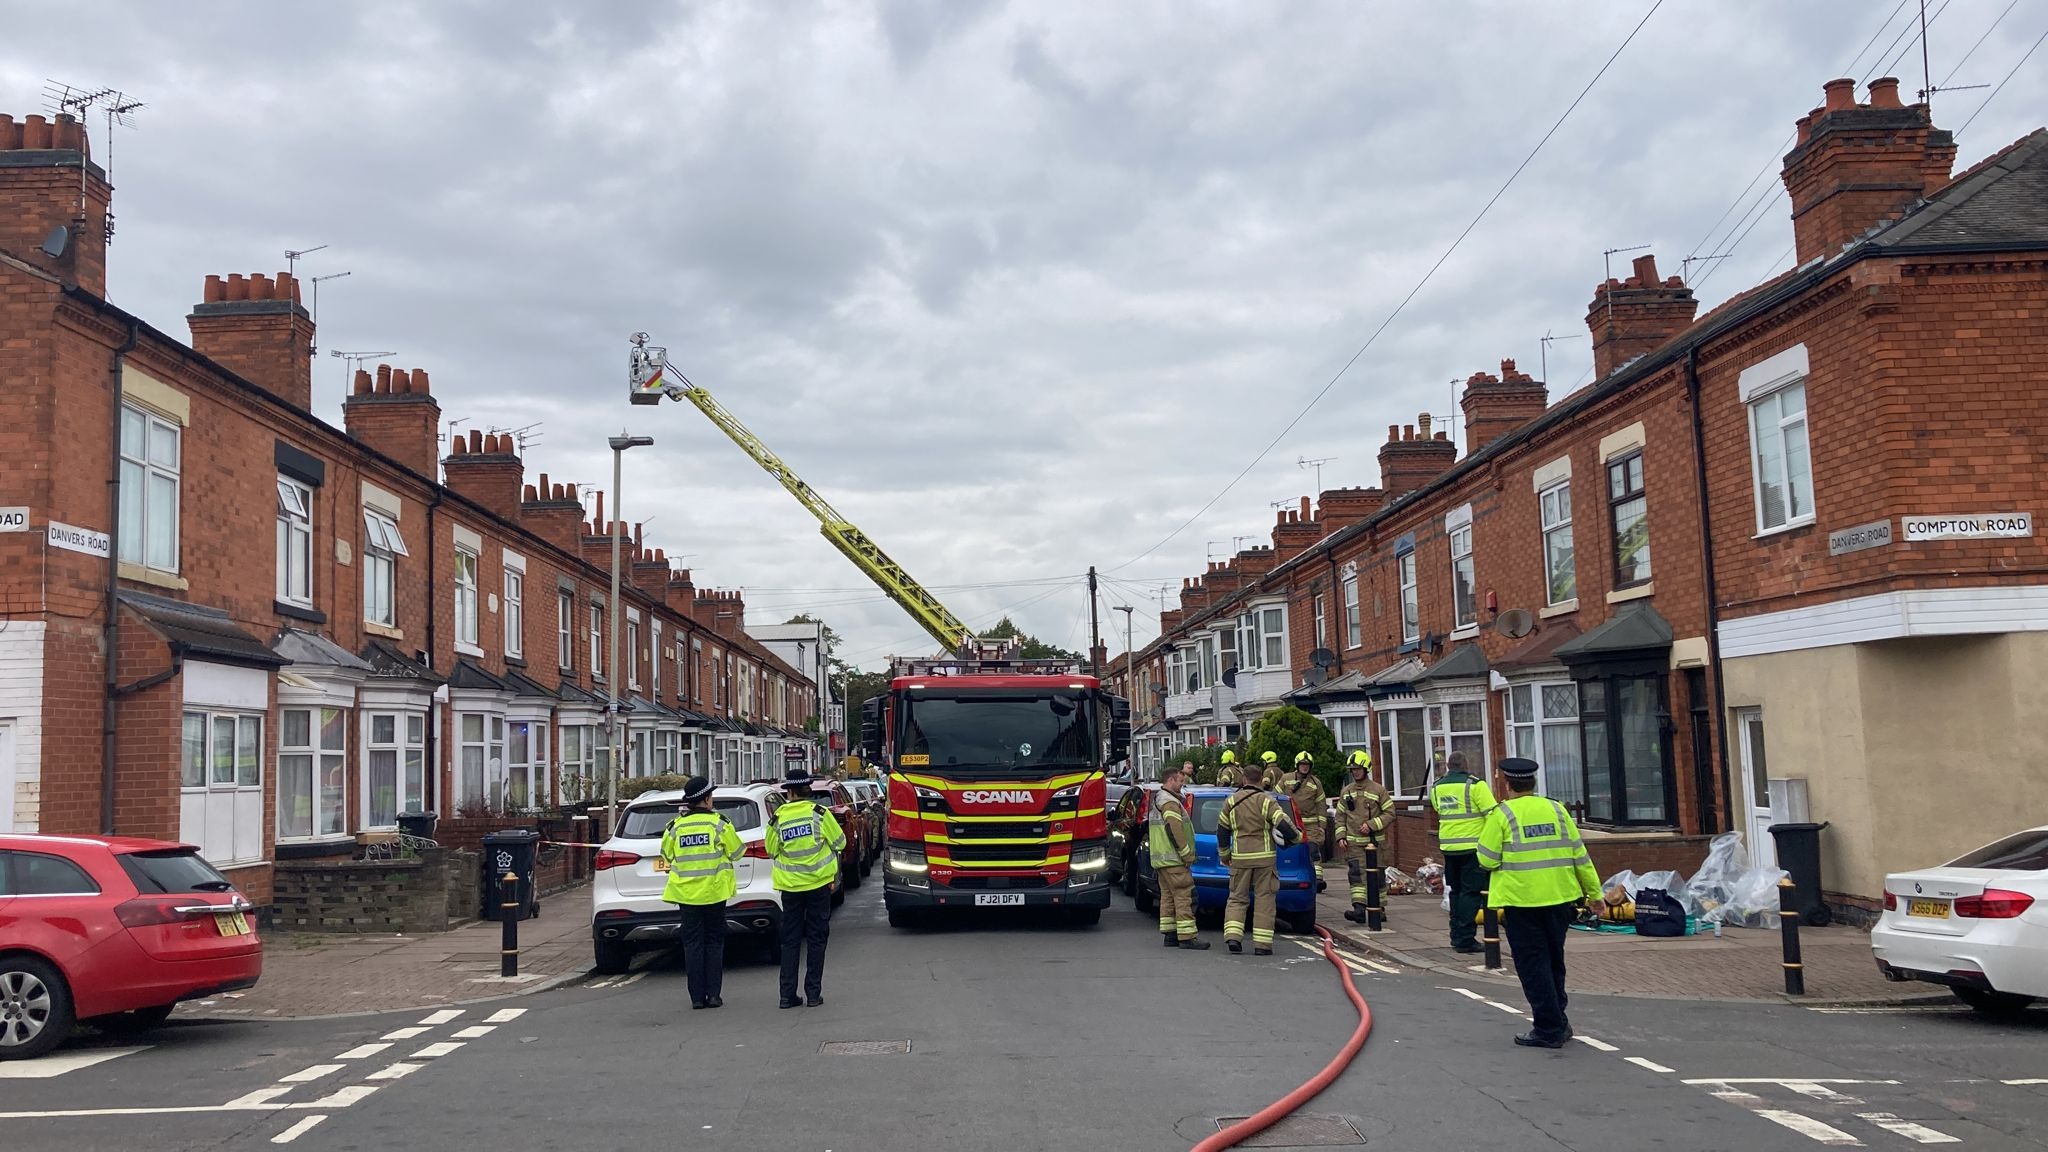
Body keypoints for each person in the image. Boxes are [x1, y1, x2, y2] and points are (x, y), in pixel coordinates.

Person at [1476, 757, 1601, 1048]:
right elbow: (1580, 856)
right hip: (1560, 900)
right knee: (1554, 961)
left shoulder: (1502, 815)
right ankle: (1559, 1020)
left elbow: (1486, 859)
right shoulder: (1557, 810)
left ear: (1506, 784)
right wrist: (1595, 895)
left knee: (1534, 965)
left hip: (1523, 902)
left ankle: (1548, 1029)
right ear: (1533, 782)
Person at [660, 776, 744, 1010]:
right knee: (714, 943)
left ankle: (697, 998)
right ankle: (714, 995)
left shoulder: (674, 827)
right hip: (715, 893)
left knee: (693, 945)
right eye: (712, 796)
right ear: (706, 799)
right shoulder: (720, 824)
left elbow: (666, 856)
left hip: (686, 896)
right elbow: (737, 852)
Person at [766, 768, 847, 1008]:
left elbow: (771, 850)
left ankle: (786, 996)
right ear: (807, 790)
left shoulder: (778, 818)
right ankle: (813, 994)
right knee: (816, 939)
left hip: (790, 888)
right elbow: (840, 842)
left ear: (789, 792)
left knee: (790, 940)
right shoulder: (820, 814)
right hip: (819, 885)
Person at [1216, 763, 1299, 955]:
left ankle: (1233, 939)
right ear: (1261, 779)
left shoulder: (1231, 801)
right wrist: (1296, 838)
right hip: (1264, 859)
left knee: (1237, 898)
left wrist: (1224, 855)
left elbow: (1222, 830)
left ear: (1244, 779)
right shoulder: (1266, 801)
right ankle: (1262, 945)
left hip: (1240, 858)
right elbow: (1283, 823)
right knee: (1265, 900)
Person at [1429, 750, 1496, 954]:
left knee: (1456, 892)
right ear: (1465, 764)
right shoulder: (1475, 785)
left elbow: (1438, 809)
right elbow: (1492, 814)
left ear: (1449, 766)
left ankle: (1456, 935)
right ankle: (1466, 939)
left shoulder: (1436, 787)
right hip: (1472, 848)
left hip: (1449, 848)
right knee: (1471, 893)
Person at [1148, 762, 1207, 949]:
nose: (1182, 784)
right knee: (1183, 895)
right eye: (1180, 781)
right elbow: (1175, 829)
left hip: (1161, 860)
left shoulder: (1159, 799)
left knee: (1167, 897)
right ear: (1170, 780)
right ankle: (1187, 937)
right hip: (1174, 859)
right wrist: (1186, 854)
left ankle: (1170, 935)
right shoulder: (1170, 802)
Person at [1336, 749, 1393, 924]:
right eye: (1353, 770)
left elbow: (1390, 813)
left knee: (1377, 877)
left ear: (1365, 769)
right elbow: (1340, 816)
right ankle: (1359, 910)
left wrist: (1371, 824)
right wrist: (1341, 837)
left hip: (1375, 844)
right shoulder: (1346, 791)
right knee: (1356, 876)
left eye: (1358, 769)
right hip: (1353, 844)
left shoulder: (1378, 790)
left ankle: (1379, 910)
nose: (1355, 772)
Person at [1283, 751, 1328, 865]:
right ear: (1297, 765)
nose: (1304, 767)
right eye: (1302, 764)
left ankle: (1317, 880)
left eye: (1307, 765)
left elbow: (1321, 805)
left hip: (1311, 826)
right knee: (1290, 851)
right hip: (1290, 823)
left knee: (1313, 853)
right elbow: (1275, 798)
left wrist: (1322, 827)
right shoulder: (1286, 779)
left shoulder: (1316, 783)